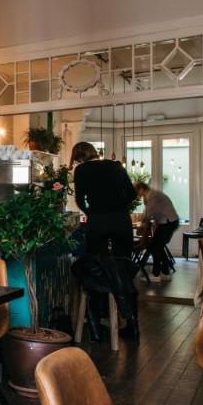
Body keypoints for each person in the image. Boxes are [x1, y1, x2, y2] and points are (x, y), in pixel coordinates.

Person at [70, 142, 140, 339]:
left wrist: (93, 212)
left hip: (98, 222)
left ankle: (98, 324)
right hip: (121, 221)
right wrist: (117, 207)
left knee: (97, 267)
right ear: (94, 153)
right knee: (123, 267)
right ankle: (132, 323)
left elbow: (79, 200)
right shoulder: (116, 166)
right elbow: (132, 194)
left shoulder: (81, 170)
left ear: (79, 158)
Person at [134, 180, 179, 281]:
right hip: (169, 222)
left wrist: (143, 224)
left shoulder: (152, 195)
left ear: (141, 188)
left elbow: (148, 215)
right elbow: (148, 213)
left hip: (168, 222)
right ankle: (165, 273)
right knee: (157, 247)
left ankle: (156, 275)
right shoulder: (151, 195)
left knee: (155, 247)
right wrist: (144, 220)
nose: (137, 194)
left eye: (137, 191)